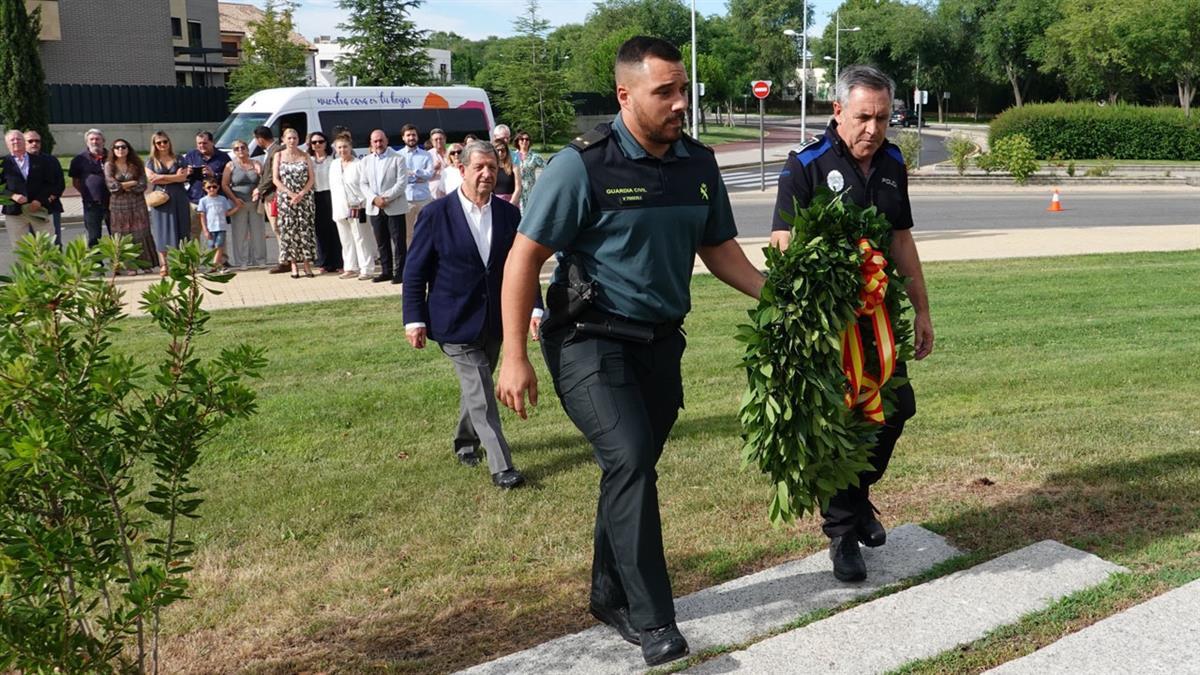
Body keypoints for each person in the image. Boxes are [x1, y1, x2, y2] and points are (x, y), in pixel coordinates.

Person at [495, 36, 765, 666]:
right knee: (631, 455)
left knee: (630, 470)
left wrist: (774, 295)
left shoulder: (697, 164)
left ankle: (607, 593)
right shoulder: (581, 165)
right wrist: (514, 353)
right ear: (625, 95)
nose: (680, 104)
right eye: (664, 92)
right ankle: (653, 621)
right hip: (588, 341)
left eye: (682, 90)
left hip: (661, 345)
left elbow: (719, 249)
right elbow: (523, 258)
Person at [768, 64, 934, 583]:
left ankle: (857, 500)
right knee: (841, 420)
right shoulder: (806, 166)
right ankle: (842, 536)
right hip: (828, 324)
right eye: (864, 117)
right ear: (837, 111)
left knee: (896, 407)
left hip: (880, 320)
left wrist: (923, 309)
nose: (874, 129)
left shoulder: (891, 163)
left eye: (883, 118)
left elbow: (901, 239)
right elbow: (782, 243)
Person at [403, 140, 543, 488]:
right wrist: (414, 318)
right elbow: (415, 271)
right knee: (481, 389)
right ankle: (502, 466)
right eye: (479, 167)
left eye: (492, 168)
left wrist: (534, 308)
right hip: (453, 320)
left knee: (476, 386)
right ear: (461, 169)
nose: (486, 174)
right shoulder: (435, 215)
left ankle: (465, 442)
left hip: (498, 320)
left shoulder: (510, 214)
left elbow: (522, 267)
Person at [2, 129, 61, 264]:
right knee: (20, 248)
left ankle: (51, 278)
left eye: (19, 139)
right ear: (7, 144)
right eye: (12, 140)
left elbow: (50, 183)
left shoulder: (42, 161)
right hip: (14, 213)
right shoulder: (3, 163)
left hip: (39, 210)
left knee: (48, 245)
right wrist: (12, 195)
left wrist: (40, 201)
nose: (16, 141)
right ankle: (29, 279)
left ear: (24, 141)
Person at [359, 129, 408, 283]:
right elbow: (363, 183)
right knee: (381, 241)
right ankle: (386, 271)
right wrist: (374, 199)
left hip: (394, 205)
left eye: (381, 140)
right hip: (375, 207)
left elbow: (402, 183)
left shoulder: (398, 158)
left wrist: (385, 198)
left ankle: (400, 273)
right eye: (375, 141)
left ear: (386, 140)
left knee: (398, 241)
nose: (378, 144)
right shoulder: (366, 161)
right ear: (371, 143)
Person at [104, 139, 157, 273]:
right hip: (118, 205)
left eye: (123, 147)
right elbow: (112, 186)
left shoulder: (137, 164)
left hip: (137, 203)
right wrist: (130, 183)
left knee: (141, 232)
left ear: (128, 149)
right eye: (117, 147)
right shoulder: (109, 165)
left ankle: (145, 264)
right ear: (113, 150)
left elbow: (142, 184)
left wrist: (124, 185)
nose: (120, 149)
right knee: (122, 235)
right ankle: (128, 266)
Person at [328, 133, 376, 280]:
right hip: (339, 207)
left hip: (357, 206)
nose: (342, 150)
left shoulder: (359, 165)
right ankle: (350, 267)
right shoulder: (334, 164)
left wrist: (362, 203)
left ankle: (367, 268)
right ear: (336, 149)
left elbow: (365, 185)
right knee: (346, 240)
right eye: (339, 147)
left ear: (351, 147)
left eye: (345, 147)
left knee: (361, 238)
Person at [145, 131, 192, 276]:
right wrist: (174, 177)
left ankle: (182, 263)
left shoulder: (179, 159)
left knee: (182, 230)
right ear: (154, 145)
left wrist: (162, 176)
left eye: (165, 141)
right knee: (162, 231)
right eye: (159, 143)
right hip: (161, 199)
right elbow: (152, 180)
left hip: (179, 197)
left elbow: (183, 178)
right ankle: (164, 264)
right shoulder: (150, 161)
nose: (162, 145)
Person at [273, 127, 317, 278]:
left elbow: (311, 178)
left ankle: (306, 264)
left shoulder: (305, 156)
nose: (292, 141)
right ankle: (293, 264)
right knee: (290, 231)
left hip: (304, 199)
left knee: (305, 230)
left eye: (295, 138)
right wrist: (289, 193)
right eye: (289, 138)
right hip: (286, 199)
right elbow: (275, 179)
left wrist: (301, 193)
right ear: (283, 140)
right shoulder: (278, 155)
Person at [221, 139, 268, 268]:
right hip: (238, 204)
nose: (240, 150)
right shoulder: (230, 165)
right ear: (234, 151)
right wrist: (234, 199)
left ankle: (260, 260)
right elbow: (224, 184)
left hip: (255, 203)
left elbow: (264, 181)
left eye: (242, 147)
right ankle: (242, 261)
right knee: (239, 233)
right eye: (236, 148)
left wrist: (260, 174)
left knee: (258, 232)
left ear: (247, 149)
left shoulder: (257, 163)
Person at [252, 126, 289, 274]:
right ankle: (285, 258)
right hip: (270, 195)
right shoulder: (272, 151)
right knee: (278, 228)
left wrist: (259, 189)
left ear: (260, 139)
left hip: (273, 196)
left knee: (278, 228)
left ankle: (285, 260)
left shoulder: (276, 151)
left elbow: (271, 176)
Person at [68, 128, 110, 247]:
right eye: (91, 139)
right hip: (92, 204)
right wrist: (87, 193)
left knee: (117, 234)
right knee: (94, 237)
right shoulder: (79, 159)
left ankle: (118, 263)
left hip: (113, 202)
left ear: (103, 141)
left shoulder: (113, 156)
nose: (95, 141)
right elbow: (75, 181)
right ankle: (97, 264)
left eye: (97, 139)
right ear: (87, 142)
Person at [22, 130, 65, 248]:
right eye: (30, 141)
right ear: (23, 143)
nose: (34, 144)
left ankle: (57, 267)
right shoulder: (18, 163)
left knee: (54, 244)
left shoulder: (51, 160)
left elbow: (59, 183)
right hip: (26, 210)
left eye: (37, 141)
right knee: (32, 246)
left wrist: (47, 199)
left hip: (50, 207)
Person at [308, 131, 343, 274]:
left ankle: (339, 262)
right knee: (320, 231)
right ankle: (324, 262)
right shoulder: (308, 160)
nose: (317, 145)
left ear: (326, 143)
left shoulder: (333, 158)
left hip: (332, 195)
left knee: (335, 229)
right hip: (316, 196)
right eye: (314, 142)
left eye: (320, 141)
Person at [398, 123, 434, 248]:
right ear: (403, 137)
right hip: (406, 200)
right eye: (408, 135)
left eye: (413, 135)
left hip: (423, 198)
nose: (411, 138)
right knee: (407, 233)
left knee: (426, 231)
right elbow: (398, 177)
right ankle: (410, 260)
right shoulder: (398, 156)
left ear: (417, 137)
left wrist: (414, 173)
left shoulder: (426, 155)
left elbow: (429, 174)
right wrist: (419, 177)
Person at [197, 179, 239, 270]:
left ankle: (214, 265)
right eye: (209, 187)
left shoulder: (222, 199)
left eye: (214, 187)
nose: (212, 189)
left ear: (218, 187)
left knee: (219, 246)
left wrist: (237, 207)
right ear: (204, 188)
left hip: (221, 226)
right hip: (210, 228)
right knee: (211, 247)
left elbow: (227, 213)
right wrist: (205, 229)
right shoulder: (203, 201)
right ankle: (218, 265)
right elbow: (202, 216)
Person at [514, 131, 546, 211]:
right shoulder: (512, 156)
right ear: (518, 141)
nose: (524, 141)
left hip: (530, 192)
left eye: (527, 139)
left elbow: (547, 168)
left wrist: (541, 183)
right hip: (515, 192)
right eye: (522, 139)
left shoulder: (535, 157)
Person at [491, 139, 520, 205]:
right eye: (497, 150)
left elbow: (518, 188)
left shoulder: (514, 167)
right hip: (495, 202)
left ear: (507, 151)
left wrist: (511, 204)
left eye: (503, 150)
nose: (500, 153)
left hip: (512, 201)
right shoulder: (491, 168)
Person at [427, 127, 449, 199]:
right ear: (432, 141)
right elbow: (422, 176)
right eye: (436, 139)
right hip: (435, 194)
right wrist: (434, 168)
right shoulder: (427, 155)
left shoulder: (452, 153)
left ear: (445, 139)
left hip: (450, 190)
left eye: (440, 139)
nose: (439, 141)